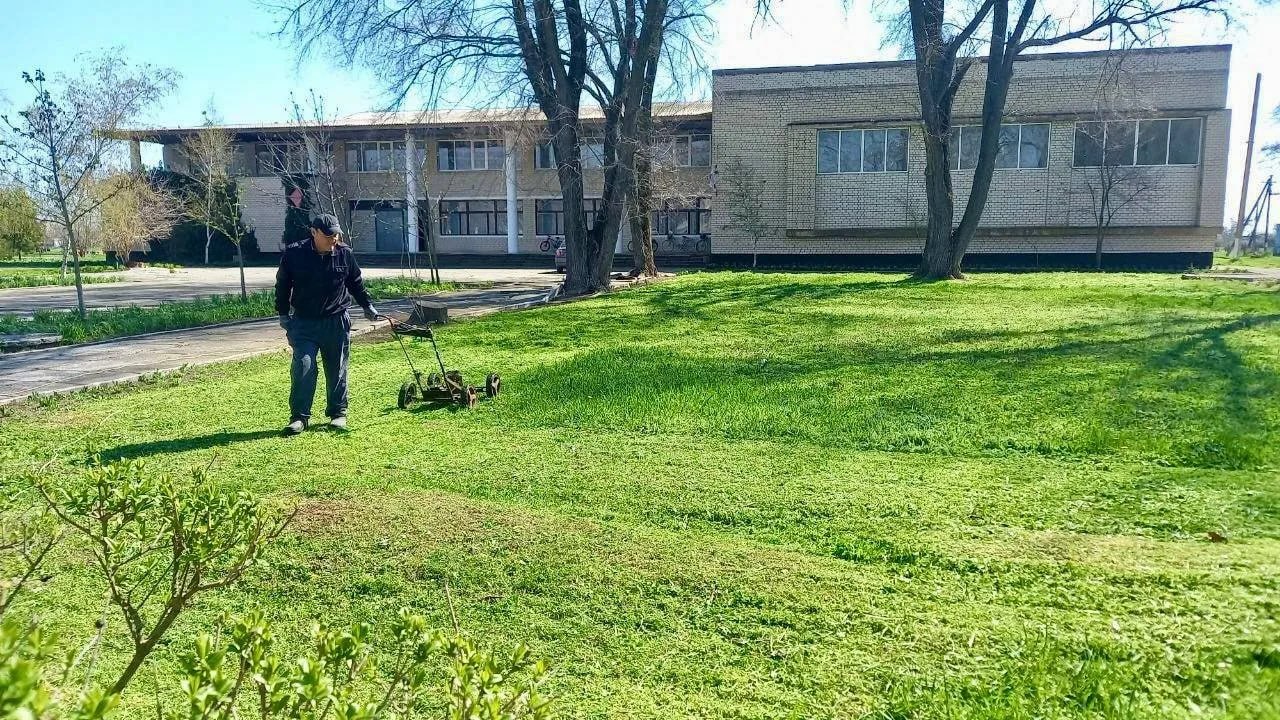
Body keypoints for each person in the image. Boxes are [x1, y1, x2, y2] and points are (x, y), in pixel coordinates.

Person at [275, 214, 378, 435]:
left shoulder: (344, 254)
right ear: (314, 232)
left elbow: (355, 283)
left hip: (336, 321)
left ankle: (338, 413)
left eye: (337, 233)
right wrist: (283, 315)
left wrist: (367, 305)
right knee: (303, 367)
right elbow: (282, 285)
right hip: (304, 323)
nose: (335, 238)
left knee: (337, 369)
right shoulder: (294, 254)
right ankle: (299, 418)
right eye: (329, 234)